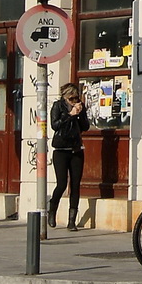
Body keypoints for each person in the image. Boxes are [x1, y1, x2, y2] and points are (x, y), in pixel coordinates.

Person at [48, 81, 91, 229]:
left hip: (76, 149)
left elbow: (85, 126)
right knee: (61, 184)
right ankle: (52, 210)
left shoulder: (80, 107)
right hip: (60, 149)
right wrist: (70, 115)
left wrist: (79, 115)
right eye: (71, 99)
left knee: (75, 184)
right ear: (65, 98)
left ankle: (72, 220)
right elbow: (55, 125)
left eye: (76, 98)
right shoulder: (57, 106)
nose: (75, 101)